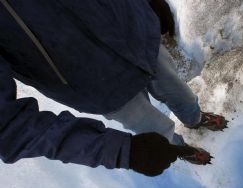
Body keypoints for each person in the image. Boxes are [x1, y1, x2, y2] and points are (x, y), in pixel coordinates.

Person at [0, 0, 227, 177]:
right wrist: (124, 152)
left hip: (135, 34)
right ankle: (180, 150)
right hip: (93, 84)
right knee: (155, 130)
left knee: (179, 92)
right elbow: (9, 127)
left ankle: (195, 118)